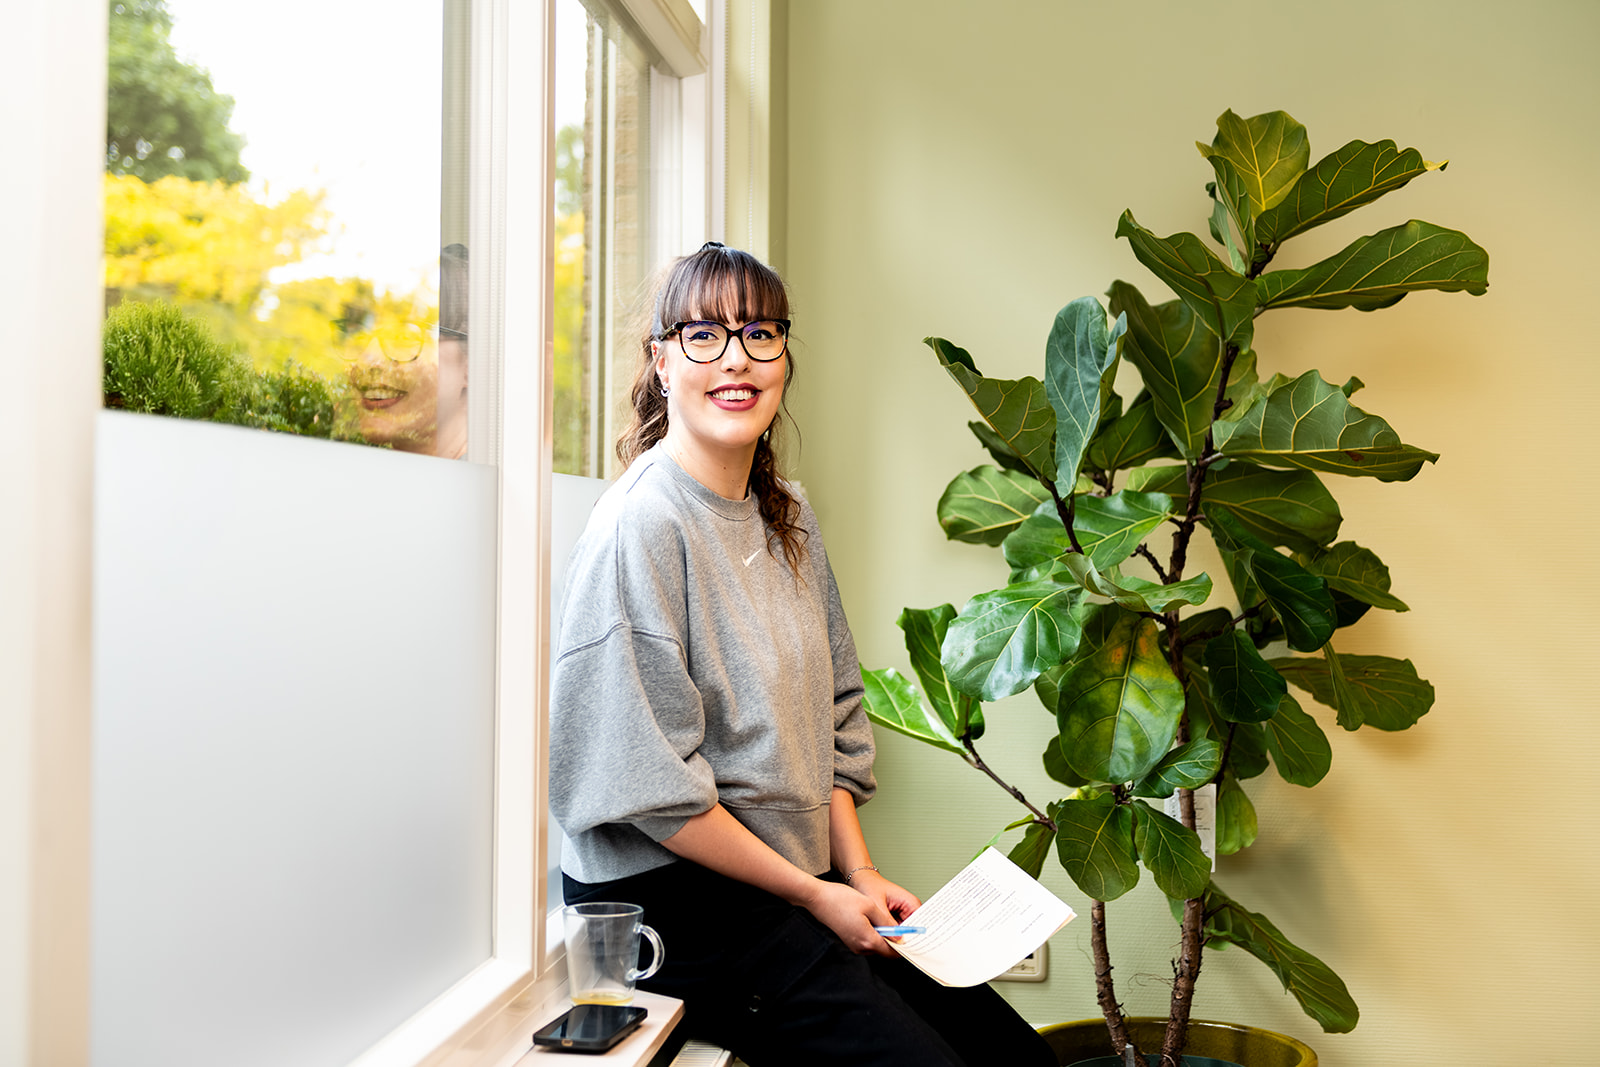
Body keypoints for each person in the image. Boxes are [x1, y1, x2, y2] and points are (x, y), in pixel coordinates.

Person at [548, 243, 1055, 1067]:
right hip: (674, 904)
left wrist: (858, 872)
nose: (736, 359)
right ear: (662, 362)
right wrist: (817, 893)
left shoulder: (786, 513)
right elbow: (655, 792)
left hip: (787, 880)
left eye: (760, 334)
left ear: (784, 357)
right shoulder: (639, 527)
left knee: (1018, 1057)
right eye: (704, 335)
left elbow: (834, 715)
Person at [346, 243, 468, 458]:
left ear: (473, 365)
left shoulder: (505, 479)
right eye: (360, 335)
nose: (367, 359)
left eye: (402, 337)